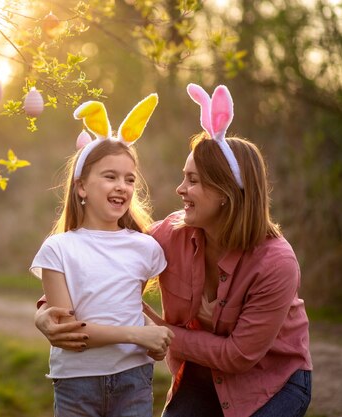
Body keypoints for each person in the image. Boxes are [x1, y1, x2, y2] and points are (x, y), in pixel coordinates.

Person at [35, 84, 313, 417]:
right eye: (184, 177)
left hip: (271, 379)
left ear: (225, 191)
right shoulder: (170, 235)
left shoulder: (276, 263)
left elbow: (239, 355)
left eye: (193, 181)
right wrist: (45, 314)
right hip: (200, 370)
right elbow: (101, 261)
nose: (180, 189)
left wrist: (154, 335)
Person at [30, 93, 175, 417]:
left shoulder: (146, 248)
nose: (122, 186)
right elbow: (70, 333)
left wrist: (155, 341)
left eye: (129, 179)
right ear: (81, 186)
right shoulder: (58, 249)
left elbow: (128, 306)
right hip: (77, 385)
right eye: (110, 176)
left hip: (133, 381)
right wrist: (138, 335)